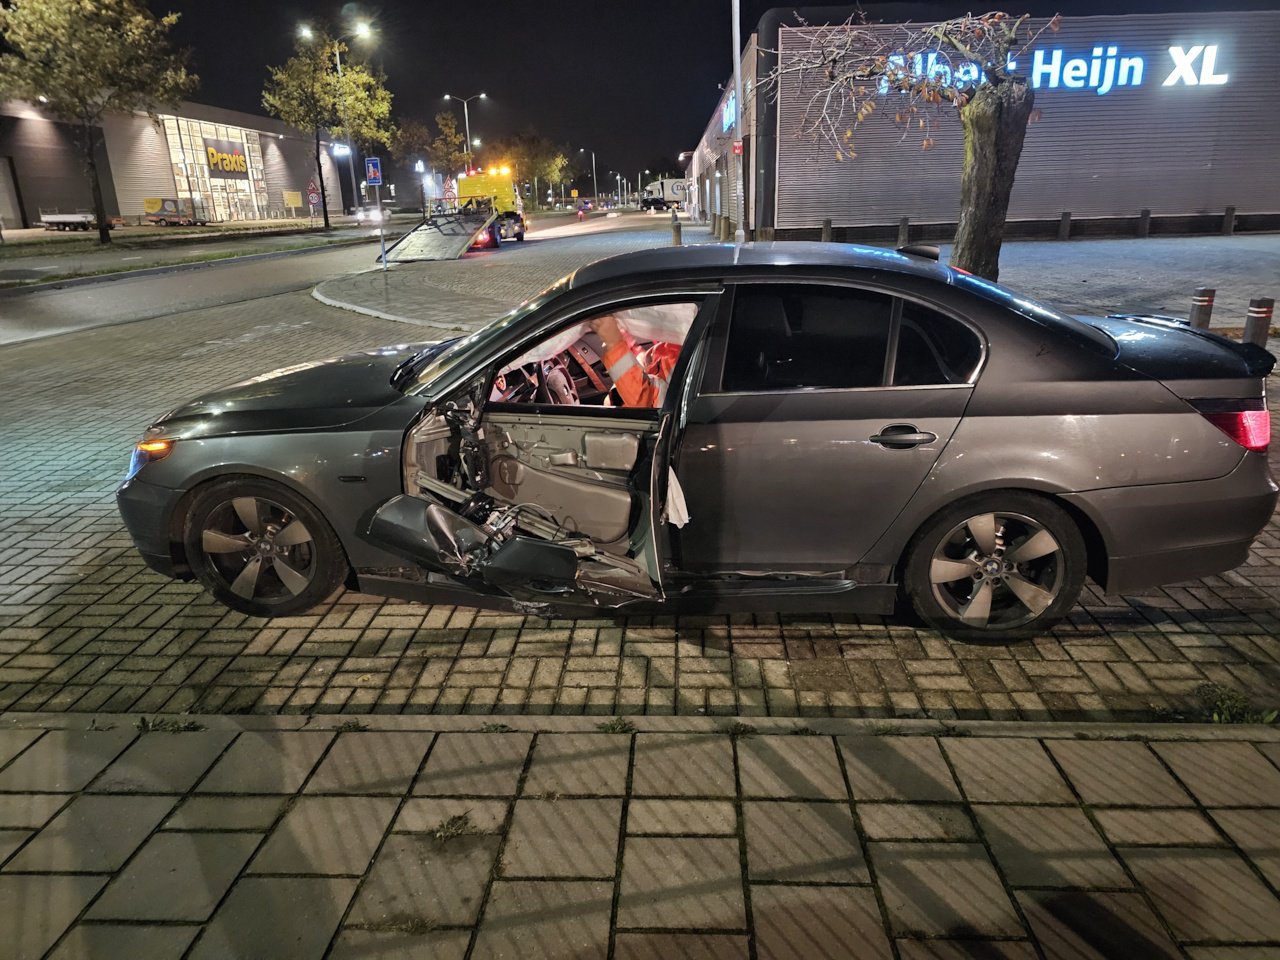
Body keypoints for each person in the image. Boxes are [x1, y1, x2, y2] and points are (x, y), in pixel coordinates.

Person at [589, 313, 681, 407]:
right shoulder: (675, 345)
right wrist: (629, 346)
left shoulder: (688, 360)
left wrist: (614, 344)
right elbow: (648, 364)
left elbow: (646, 401)